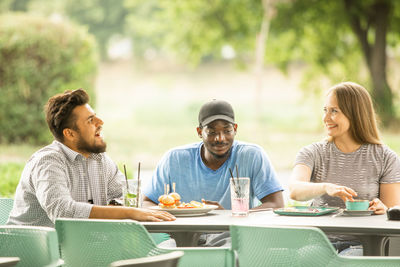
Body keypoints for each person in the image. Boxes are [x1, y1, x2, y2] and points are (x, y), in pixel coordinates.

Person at [7, 89, 175, 228]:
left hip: (79, 250)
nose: (100, 122)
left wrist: (117, 207)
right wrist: (129, 212)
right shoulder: (48, 162)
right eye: (90, 120)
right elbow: (62, 211)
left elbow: (122, 195)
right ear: (70, 133)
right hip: (34, 254)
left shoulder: (100, 160)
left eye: (96, 116)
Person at [289, 81, 400, 255]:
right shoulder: (312, 153)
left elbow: (393, 214)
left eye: (334, 111)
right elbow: (295, 190)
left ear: (355, 114)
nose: (326, 118)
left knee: (347, 260)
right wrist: (326, 187)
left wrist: (383, 209)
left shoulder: (386, 157)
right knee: (306, 257)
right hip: (321, 243)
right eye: (325, 110)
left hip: (365, 245)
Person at [143, 99, 284, 213]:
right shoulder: (174, 159)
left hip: (234, 237)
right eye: (211, 132)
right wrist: (172, 216)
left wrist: (230, 216)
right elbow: (147, 202)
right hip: (183, 238)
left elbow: (276, 204)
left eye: (227, 130)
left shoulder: (251, 155)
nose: (220, 138)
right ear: (199, 132)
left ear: (235, 129)